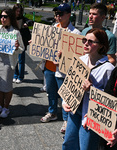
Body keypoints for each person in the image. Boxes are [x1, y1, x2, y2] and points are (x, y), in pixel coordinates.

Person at [62, 28, 115, 150]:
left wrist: (91, 90)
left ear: (101, 45)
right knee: (68, 143)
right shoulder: (81, 60)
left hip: (90, 115)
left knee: (86, 146)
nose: (86, 43)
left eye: (91, 41)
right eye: (84, 40)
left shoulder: (108, 68)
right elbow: (69, 84)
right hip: (74, 110)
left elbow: (109, 98)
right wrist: (65, 101)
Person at [40, 3, 81, 134]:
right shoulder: (52, 28)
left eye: (61, 14)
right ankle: (52, 112)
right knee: (51, 92)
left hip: (63, 71)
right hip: (49, 66)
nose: (58, 16)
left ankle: (66, 119)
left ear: (69, 15)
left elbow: (76, 55)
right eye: (56, 14)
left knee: (65, 95)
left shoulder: (75, 33)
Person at [0, 8, 24, 118]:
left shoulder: (15, 32)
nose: (3, 19)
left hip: (8, 61)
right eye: (1, 16)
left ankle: (6, 107)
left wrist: (17, 47)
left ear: (10, 18)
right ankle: (0, 105)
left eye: (5, 17)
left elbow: (22, 49)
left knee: (7, 85)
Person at [13, 4, 31, 84]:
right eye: (17, 11)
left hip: (22, 42)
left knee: (21, 60)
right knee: (14, 60)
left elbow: (30, 21)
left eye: (20, 11)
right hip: (13, 42)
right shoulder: (11, 19)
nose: (18, 13)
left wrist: (27, 24)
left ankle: (21, 76)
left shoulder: (23, 19)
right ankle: (15, 75)